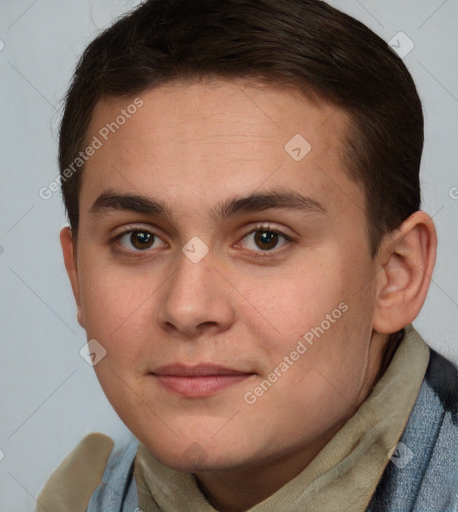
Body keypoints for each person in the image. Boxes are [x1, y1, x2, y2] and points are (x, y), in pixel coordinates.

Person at [36, 0, 458, 510]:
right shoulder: (83, 497)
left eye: (265, 238)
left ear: (396, 275)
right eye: (140, 239)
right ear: (77, 275)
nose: (188, 309)